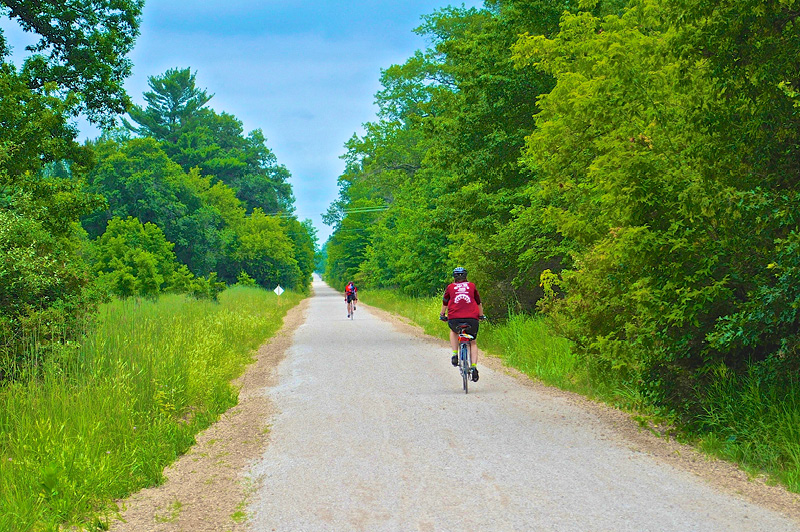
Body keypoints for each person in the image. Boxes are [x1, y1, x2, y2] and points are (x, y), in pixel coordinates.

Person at [440, 267, 485, 382]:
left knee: (453, 331)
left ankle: (455, 354)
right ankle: (474, 367)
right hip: (471, 319)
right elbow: (478, 301)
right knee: (473, 342)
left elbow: (445, 302)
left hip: (455, 318)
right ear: (466, 276)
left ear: (454, 277)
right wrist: (481, 315)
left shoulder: (450, 287)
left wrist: (442, 314)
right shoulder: (472, 286)